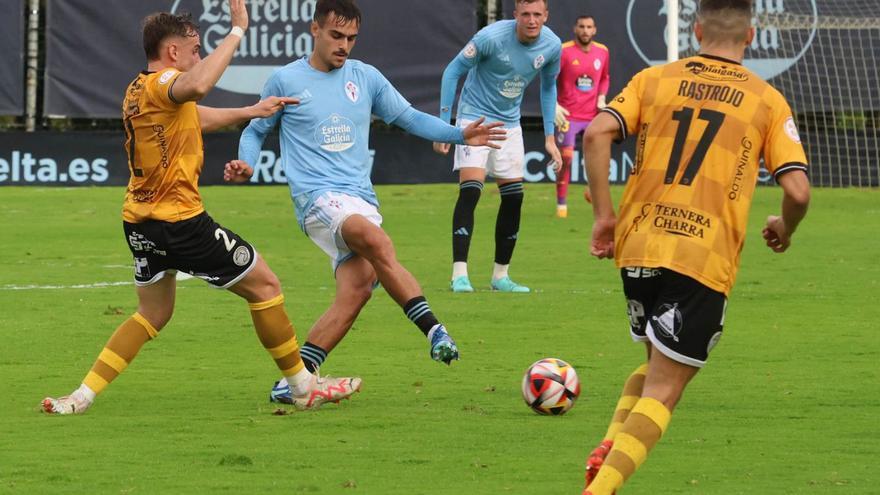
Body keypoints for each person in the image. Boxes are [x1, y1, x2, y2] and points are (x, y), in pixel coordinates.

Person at [42, 0, 361, 415]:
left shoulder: (138, 89)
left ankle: (79, 398)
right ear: (173, 52)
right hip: (181, 223)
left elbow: (193, 113)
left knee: (152, 313)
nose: (199, 57)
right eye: (195, 50)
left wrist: (250, 111)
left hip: (139, 223)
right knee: (266, 287)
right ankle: (303, 386)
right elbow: (195, 89)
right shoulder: (168, 83)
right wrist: (237, 31)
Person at [222, 0, 507, 403]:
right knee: (375, 242)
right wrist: (247, 164)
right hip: (317, 200)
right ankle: (434, 330)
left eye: (351, 38)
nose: (344, 45)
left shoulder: (365, 77)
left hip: (359, 198)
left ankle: (296, 381)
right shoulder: (285, 80)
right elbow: (255, 130)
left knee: (357, 288)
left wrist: (461, 134)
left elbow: (408, 117)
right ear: (314, 30)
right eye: (336, 36)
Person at [579, 0, 810, 493]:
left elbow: (597, 133)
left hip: (639, 245)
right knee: (666, 387)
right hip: (701, 257)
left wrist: (604, 216)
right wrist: (784, 228)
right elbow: (798, 191)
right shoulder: (766, 101)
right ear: (750, 37)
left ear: (696, 29)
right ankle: (600, 489)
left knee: (654, 367)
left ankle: (609, 447)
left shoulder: (653, 80)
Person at [433, 0, 562, 293]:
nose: (531, 20)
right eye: (525, 14)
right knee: (472, 190)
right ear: (515, 15)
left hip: (509, 124)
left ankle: (500, 277)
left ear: (546, 16)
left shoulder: (552, 46)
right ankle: (459, 275)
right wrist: (444, 126)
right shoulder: (490, 38)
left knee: (514, 197)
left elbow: (548, 86)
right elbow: (452, 72)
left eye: (537, 15)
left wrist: (549, 138)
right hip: (474, 117)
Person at [553, 15, 609, 217]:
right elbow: (550, 78)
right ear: (575, 28)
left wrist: (602, 98)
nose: (585, 30)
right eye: (582, 26)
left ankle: (594, 193)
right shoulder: (563, 50)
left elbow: (604, 78)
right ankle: (561, 204)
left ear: (594, 30)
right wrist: (554, 104)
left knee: (599, 157)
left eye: (589, 27)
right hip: (568, 115)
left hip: (592, 115)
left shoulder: (602, 52)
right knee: (566, 157)